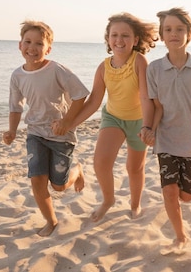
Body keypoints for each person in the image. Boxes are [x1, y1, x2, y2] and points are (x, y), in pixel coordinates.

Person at [65, 12, 158, 222]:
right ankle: (108, 200)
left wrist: (148, 126)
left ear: (135, 40)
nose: (119, 40)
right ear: (108, 39)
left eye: (125, 35)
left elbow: (146, 97)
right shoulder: (103, 67)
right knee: (101, 161)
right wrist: (71, 124)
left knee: (134, 168)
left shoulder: (139, 61)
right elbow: (94, 101)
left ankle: (135, 204)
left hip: (139, 121)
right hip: (113, 118)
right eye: (114, 35)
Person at [3, 20, 89, 237]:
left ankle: (77, 170)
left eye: (39, 44)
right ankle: (51, 221)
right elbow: (16, 106)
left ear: (48, 48)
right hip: (35, 133)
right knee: (37, 180)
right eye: (28, 42)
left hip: (61, 135)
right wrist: (12, 131)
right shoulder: (17, 75)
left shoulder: (56, 70)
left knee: (59, 186)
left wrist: (66, 122)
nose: (32, 48)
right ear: (19, 45)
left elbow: (80, 95)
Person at [141, 7, 191, 256]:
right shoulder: (154, 69)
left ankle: (182, 216)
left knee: (187, 196)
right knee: (169, 191)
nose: (174, 34)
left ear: (190, 34)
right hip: (167, 140)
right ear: (162, 36)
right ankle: (180, 236)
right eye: (168, 30)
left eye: (179, 29)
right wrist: (149, 129)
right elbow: (157, 106)